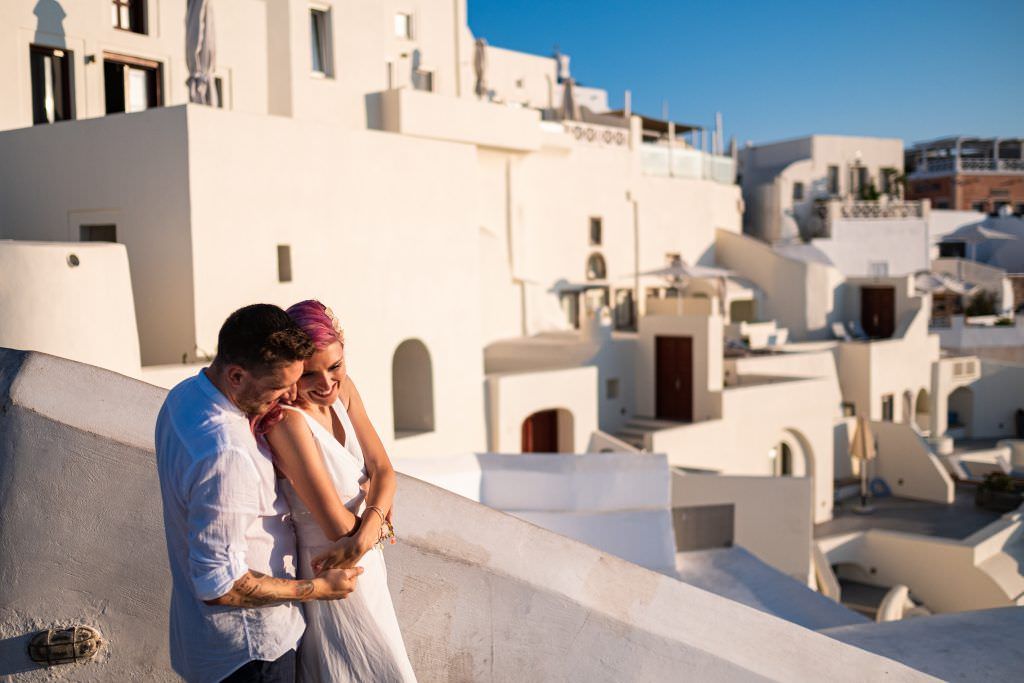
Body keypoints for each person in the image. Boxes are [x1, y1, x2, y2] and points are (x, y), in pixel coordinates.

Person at [155, 304, 364, 683]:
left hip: (206, 642)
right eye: (278, 388)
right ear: (236, 375)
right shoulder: (226, 451)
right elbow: (220, 585)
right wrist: (318, 588)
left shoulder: (184, 397)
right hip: (252, 653)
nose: (289, 397)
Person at [261, 300, 416, 682]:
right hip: (331, 572)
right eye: (310, 373)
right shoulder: (288, 423)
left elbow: (385, 470)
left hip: (365, 565)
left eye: (335, 366)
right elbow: (335, 526)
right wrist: (377, 512)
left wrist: (369, 527)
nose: (328, 383)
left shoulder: (344, 390)